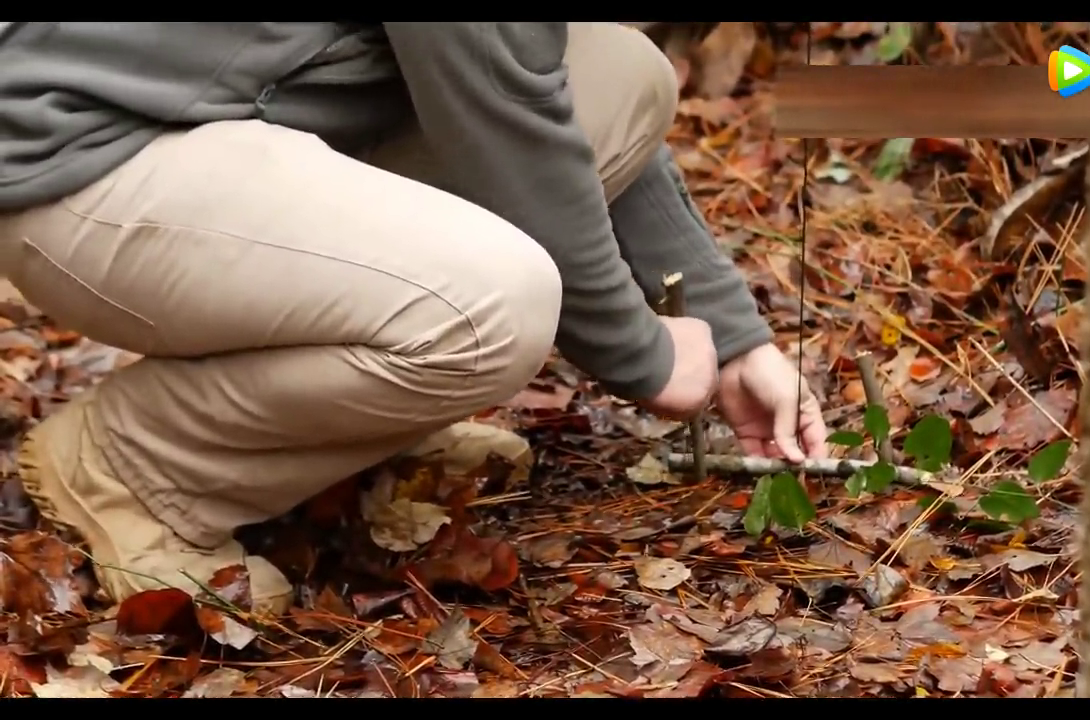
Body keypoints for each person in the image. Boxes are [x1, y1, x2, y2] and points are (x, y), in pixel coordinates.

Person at [0, 22, 829, 614]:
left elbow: (531, 78)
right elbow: (507, 112)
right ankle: (132, 465)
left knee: (620, 72)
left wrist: (729, 333)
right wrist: (642, 354)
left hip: (241, 114)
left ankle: (344, 430)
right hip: (87, 157)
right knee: (494, 310)